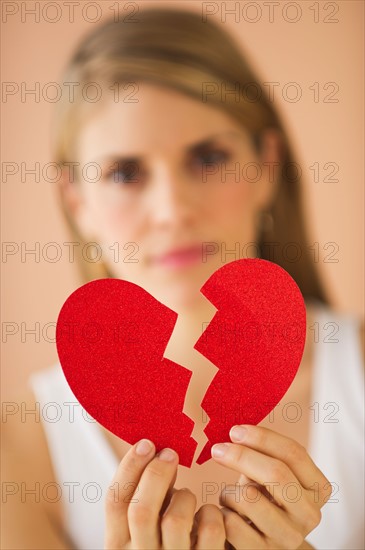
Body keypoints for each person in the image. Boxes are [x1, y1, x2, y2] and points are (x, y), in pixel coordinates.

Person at [2, 7, 364, 550]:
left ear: (266, 167)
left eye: (208, 157)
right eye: (125, 173)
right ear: (76, 201)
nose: (172, 209)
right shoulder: (22, 447)